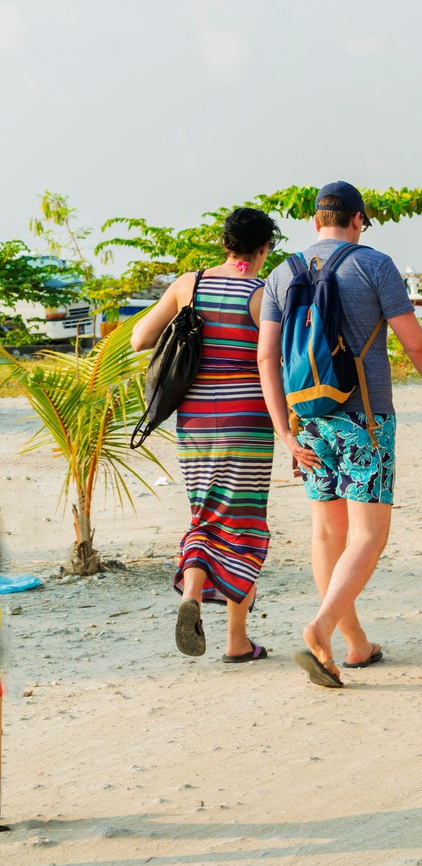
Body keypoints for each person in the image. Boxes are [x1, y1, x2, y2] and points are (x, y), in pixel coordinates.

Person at [258, 181, 422, 689]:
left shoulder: (283, 273)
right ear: (359, 219)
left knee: (326, 532)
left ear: (314, 221)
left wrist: (284, 430)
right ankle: (321, 627)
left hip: (308, 420)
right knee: (369, 534)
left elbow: (267, 357)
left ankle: (353, 644)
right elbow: (414, 340)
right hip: (365, 419)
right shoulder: (373, 264)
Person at [131, 208, 281, 663]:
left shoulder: (187, 285)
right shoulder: (261, 294)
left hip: (194, 420)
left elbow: (139, 338)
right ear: (264, 249)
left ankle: (191, 594)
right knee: (245, 523)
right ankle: (237, 640)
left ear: (224, 243)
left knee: (205, 516)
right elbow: (274, 361)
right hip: (248, 420)